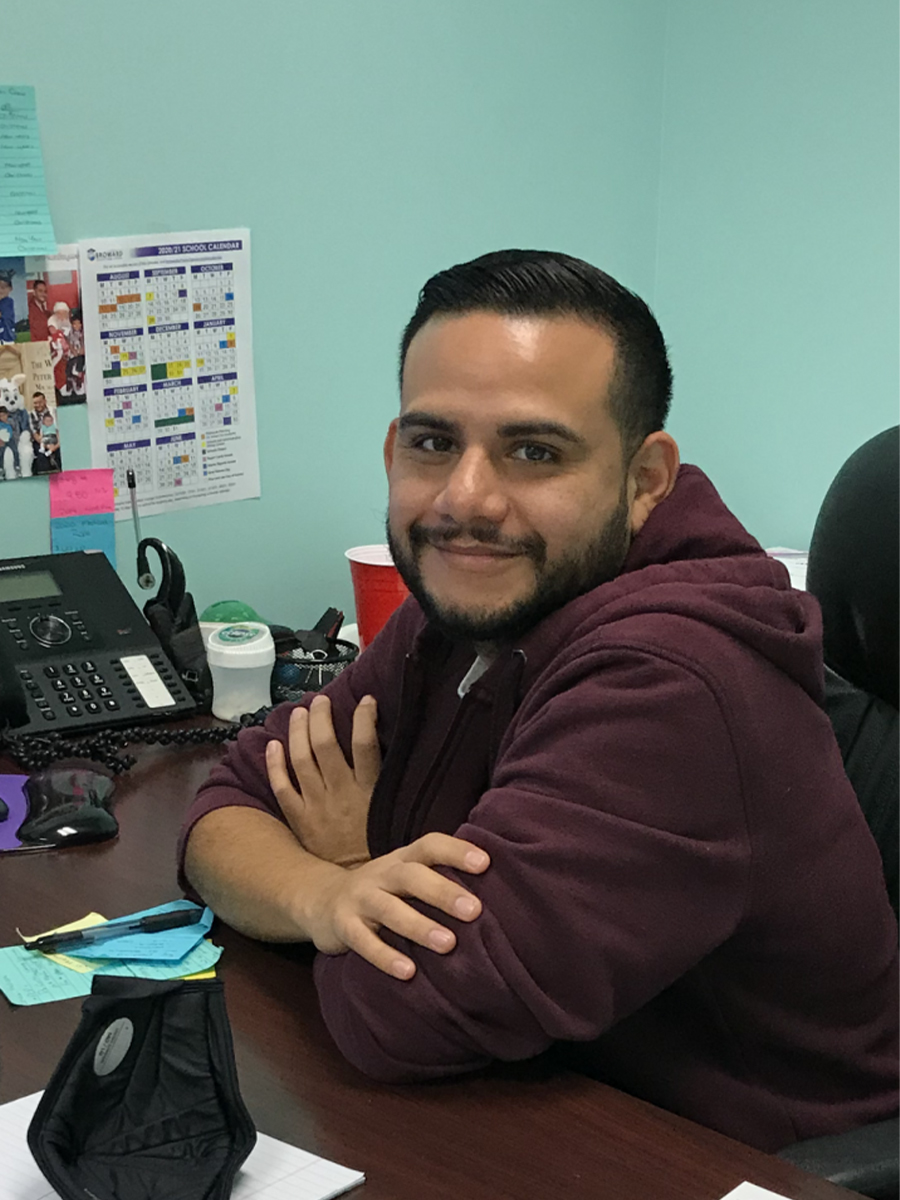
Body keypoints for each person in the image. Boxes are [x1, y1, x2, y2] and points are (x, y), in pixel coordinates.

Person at [180, 250, 898, 1153]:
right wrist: (329, 892)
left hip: (730, 1159)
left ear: (644, 481)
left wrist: (362, 852)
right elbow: (226, 804)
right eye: (433, 443)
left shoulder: (674, 683)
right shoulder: (472, 601)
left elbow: (400, 1013)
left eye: (534, 451)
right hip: (538, 1101)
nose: (465, 499)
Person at [28, 278, 50, 343]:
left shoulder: (42, 307)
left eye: (45, 291)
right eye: (40, 291)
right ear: (34, 292)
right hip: (37, 346)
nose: (43, 294)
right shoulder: (30, 309)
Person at [0, 276, 16, 344]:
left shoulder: (8, 302)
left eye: (3, 288)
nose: (0, 290)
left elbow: (5, 317)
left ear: (10, 288)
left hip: (6, 338)